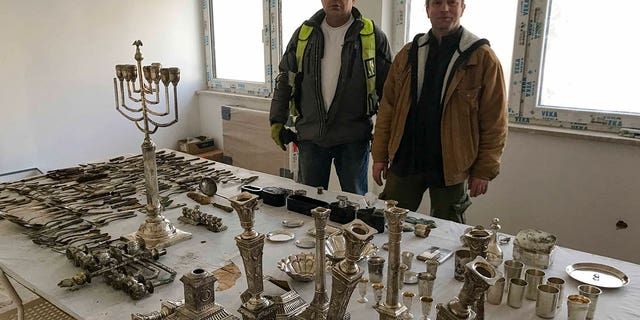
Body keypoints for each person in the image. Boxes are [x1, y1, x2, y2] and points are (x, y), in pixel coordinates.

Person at [371, 0, 507, 223]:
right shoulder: (408, 54)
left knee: (449, 233)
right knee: (387, 225)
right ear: (427, 10)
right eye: (436, 3)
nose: (444, 8)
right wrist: (379, 156)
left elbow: (495, 121)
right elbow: (388, 108)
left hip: (450, 164)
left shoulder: (483, 58)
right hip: (406, 157)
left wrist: (484, 170)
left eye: (452, 2)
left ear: (462, 8)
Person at [270, 0, 392, 195]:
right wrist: (276, 119)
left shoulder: (371, 36)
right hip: (311, 137)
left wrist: (383, 141)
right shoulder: (304, 34)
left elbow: (389, 93)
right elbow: (286, 79)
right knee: (308, 202)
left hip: (353, 137)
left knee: (355, 204)